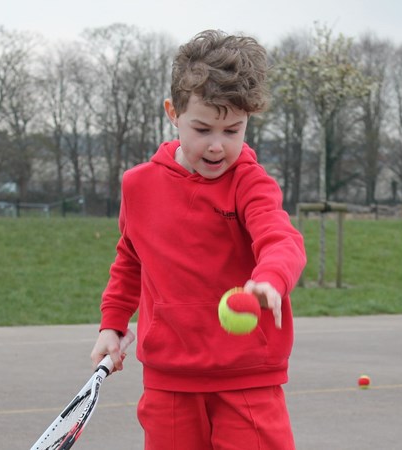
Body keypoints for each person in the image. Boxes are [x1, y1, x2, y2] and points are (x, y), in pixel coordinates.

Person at [90, 29, 306, 449]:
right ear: (173, 112)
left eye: (232, 131)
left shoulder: (251, 182)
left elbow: (280, 237)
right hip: (169, 380)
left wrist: (272, 278)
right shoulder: (139, 185)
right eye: (203, 128)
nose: (216, 146)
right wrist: (112, 325)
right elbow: (130, 259)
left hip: (247, 377)